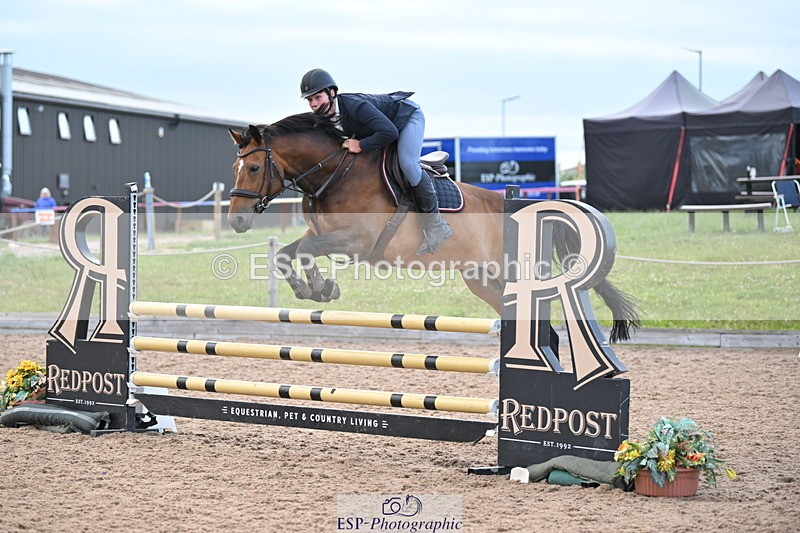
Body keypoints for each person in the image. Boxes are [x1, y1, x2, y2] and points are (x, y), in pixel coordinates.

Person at [299, 68, 452, 254]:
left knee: (408, 164)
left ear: (332, 93)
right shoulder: (322, 119)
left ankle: (436, 224)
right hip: (382, 129)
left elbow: (389, 133)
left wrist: (361, 146)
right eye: (309, 100)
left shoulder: (356, 107)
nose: (314, 104)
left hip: (406, 118)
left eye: (317, 97)